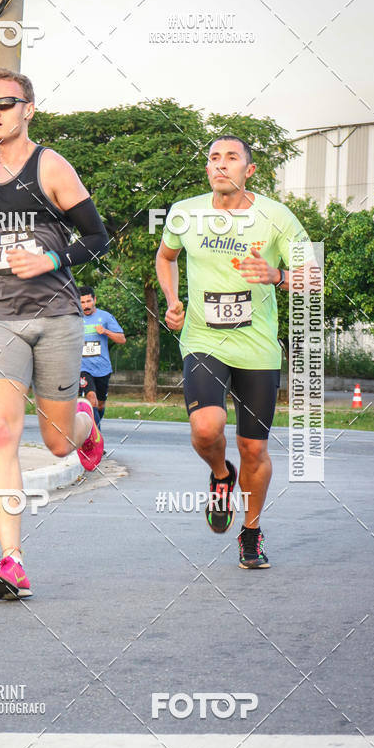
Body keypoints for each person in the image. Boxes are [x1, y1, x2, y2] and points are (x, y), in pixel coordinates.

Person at [0, 68, 108, 600]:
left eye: (5, 104)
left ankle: (85, 422)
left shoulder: (50, 166)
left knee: (58, 444)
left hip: (57, 316)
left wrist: (51, 260)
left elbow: (98, 236)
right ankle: (11, 561)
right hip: (0, 319)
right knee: (3, 432)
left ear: (28, 110)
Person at [155, 135, 311, 569]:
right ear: (207, 169)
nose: (221, 164)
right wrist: (172, 300)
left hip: (257, 348)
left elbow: (313, 276)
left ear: (249, 170)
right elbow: (166, 257)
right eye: (214, 158)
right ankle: (221, 476)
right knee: (206, 429)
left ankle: (251, 532)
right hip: (204, 339)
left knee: (253, 449)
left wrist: (278, 276)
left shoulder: (276, 217)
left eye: (231, 158)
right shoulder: (185, 213)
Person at [78, 287, 126, 426]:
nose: (86, 306)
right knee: (91, 398)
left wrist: (105, 331)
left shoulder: (105, 317)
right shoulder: (75, 319)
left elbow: (122, 339)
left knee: (100, 404)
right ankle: (96, 436)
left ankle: (94, 428)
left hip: (102, 368)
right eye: (82, 302)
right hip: (83, 368)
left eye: (88, 301)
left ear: (95, 300)